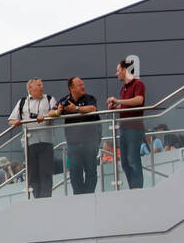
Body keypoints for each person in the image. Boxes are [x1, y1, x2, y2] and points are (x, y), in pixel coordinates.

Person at [8, 78, 59, 198]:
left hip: (46, 142)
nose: (42, 87)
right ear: (30, 88)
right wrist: (16, 122)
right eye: (38, 85)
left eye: (42, 85)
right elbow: (11, 120)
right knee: (33, 173)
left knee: (46, 171)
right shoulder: (22, 102)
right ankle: (37, 197)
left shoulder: (49, 99)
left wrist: (45, 116)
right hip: (29, 142)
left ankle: (46, 198)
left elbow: (56, 112)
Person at [55, 76, 101, 195]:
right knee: (75, 171)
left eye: (83, 84)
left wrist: (75, 108)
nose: (83, 86)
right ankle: (79, 195)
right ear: (71, 88)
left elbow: (93, 108)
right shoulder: (64, 100)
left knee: (91, 170)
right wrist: (58, 111)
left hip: (90, 142)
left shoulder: (89, 98)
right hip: (73, 144)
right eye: (79, 85)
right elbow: (51, 113)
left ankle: (89, 194)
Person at [108, 59, 147, 189]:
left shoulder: (138, 84)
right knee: (125, 162)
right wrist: (116, 108)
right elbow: (127, 106)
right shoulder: (123, 88)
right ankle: (133, 188)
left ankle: (137, 189)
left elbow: (139, 100)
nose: (117, 73)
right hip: (124, 128)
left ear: (125, 70)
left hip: (134, 128)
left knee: (133, 159)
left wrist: (118, 101)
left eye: (118, 70)